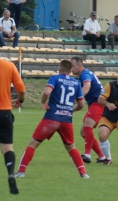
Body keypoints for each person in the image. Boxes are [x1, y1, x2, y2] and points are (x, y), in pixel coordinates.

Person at [15, 60, 89, 179]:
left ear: (59, 69)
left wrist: (43, 102)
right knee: (71, 147)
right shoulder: (76, 83)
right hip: (66, 120)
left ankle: (21, 171)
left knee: (32, 144)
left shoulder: (55, 78)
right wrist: (70, 110)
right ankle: (83, 173)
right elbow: (81, 104)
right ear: (70, 70)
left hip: (51, 118)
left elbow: (47, 92)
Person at [71, 57, 107, 164]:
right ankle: (102, 157)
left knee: (87, 126)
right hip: (93, 104)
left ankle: (87, 155)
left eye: (73, 66)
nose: (71, 69)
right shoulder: (83, 75)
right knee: (83, 132)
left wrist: (77, 98)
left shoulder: (84, 75)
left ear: (80, 66)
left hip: (99, 103)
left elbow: (87, 86)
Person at [0, 58, 25, 194]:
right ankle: (10, 173)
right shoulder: (9, 66)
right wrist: (20, 100)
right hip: (4, 112)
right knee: (7, 147)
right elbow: (21, 89)